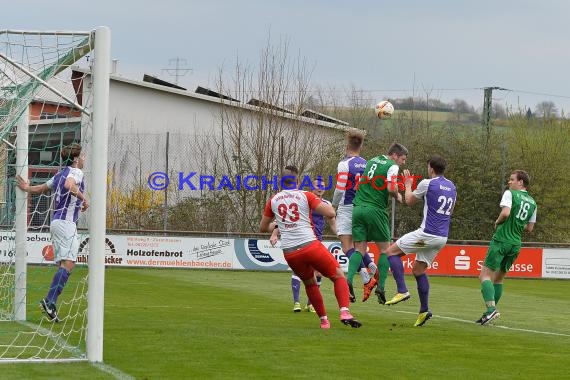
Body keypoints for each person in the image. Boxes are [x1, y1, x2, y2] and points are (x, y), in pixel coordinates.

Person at [260, 166, 361, 329]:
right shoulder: (305, 195)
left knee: (310, 283)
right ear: (298, 181)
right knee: (338, 275)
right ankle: (344, 311)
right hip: (310, 245)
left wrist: (282, 223)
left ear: (281, 183)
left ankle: (324, 321)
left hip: (290, 252)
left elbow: (263, 228)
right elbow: (329, 212)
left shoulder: (273, 201)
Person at [16, 143, 89, 322]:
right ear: (76, 159)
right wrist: (84, 198)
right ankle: (50, 301)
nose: (84, 159)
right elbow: (69, 185)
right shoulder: (75, 172)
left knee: (64, 264)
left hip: (56, 222)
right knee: (69, 264)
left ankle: (51, 305)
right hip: (66, 224)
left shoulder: (59, 173)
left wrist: (26, 188)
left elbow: (41, 188)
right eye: (82, 156)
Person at [383, 155, 457, 327]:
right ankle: (424, 311)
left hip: (427, 234)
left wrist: (408, 185)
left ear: (431, 168)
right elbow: (450, 210)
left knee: (390, 253)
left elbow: (409, 201)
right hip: (441, 237)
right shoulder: (452, 186)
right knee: (418, 270)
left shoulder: (428, 183)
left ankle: (402, 290)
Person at [347, 142, 409, 304]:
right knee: (385, 250)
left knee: (359, 249)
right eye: (402, 159)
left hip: (358, 208)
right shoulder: (392, 166)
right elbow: (390, 188)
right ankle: (381, 287)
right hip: (375, 210)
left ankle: (348, 281)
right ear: (394, 155)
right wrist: (398, 197)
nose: (403, 163)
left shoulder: (372, 161)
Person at [476, 170, 537, 325]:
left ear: (520, 182)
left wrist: (497, 222)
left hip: (502, 240)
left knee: (485, 276)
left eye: (511, 179)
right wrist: (516, 225)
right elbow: (529, 228)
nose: (509, 182)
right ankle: (488, 314)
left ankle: (491, 310)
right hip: (516, 244)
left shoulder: (510, 194)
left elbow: (505, 213)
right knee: (498, 279)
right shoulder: (533, 203)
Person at [270, 178, 337, 313]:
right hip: (300, 240)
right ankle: (296, 302)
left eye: (322, 186)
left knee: (318, 274)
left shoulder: (326, 204)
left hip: (316, 241)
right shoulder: (304, 199)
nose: (320, 188)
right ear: (311, 187)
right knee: (300, 272)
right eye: (317, 185)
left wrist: (341, 235)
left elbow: (333, 223)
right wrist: (274, 233)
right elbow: (285, 220)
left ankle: (310, 304)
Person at [332, 129, 381, 303]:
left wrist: (333, 205)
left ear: (347, 146)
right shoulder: (368, 164)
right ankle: (372, 266)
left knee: (347, 248)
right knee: (359, 247)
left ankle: (366, 277)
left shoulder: (344, 164)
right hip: (362, 207)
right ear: (361, 146)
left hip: (347, 207)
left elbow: (339, 189)